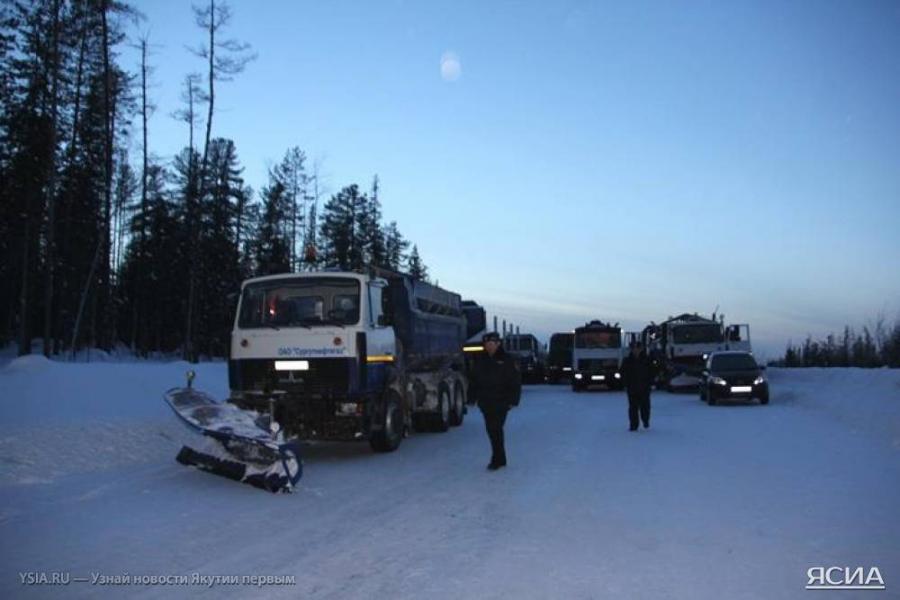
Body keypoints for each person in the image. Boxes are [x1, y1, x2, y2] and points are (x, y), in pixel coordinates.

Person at [470, 332, 522, 470]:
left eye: (491, 344)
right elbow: (474, 380)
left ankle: (496, 459)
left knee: (495, 428)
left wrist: (513, 400)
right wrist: (472, 397)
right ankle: (501, 458)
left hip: (502, 401)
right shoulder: (480, 359)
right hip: (486, 401)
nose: (489, 347)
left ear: (498, 343)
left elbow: (515, 381)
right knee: (491, 430)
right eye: (487, 344)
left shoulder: (507, 359)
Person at [621, 341, 653, 431]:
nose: (636, 350)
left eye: (638, 348)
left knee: (645, 406)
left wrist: (651, 382)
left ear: (641, 349)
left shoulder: (647, 360)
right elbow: (623, 372)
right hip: (632, 388)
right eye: (634, 348)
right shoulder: (627, 361)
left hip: (644, 387)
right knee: (633, 407)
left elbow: (652, 372)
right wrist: (625, 383)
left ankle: (645, 420)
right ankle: (633, 425)